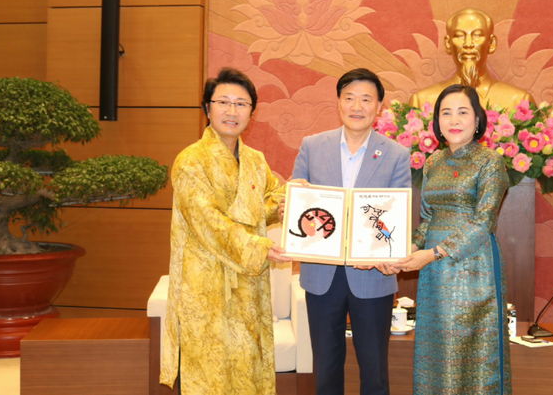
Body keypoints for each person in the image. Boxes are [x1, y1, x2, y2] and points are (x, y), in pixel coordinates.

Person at [161, 67, 290, 394]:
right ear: (207, 108)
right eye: (223, 102)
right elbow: (210, 222)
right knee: (210, 372)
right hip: (206, 285)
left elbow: (267, 199)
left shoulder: (255, 160)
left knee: (248, 368)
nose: (232, 111)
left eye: (241, 104)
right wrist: (261, 247)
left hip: (249, 287)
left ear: (251, 112)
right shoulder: (190, 161)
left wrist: (286, 204)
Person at [290, 68, 412, 395]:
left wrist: (390, 254)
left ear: (379, 107)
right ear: (338, 102)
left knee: (374, 371)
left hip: (372, 275)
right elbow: (299, 203)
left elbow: (397, 215)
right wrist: (291, 200)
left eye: (366, 99)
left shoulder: (396, 154)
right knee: (326, 369)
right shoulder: (312, 146)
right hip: (321, 274)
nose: (357, 106)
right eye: (349, 98)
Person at [396, 84, 512, 394]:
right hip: (434, 271)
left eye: (463, 112)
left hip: (474, 266)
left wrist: (434, 252)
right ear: (437, 121)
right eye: (446, 113)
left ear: (477, 119)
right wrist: (408, 250)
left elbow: (484, 221)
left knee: (470, 347)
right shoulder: (433, 162)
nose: (454, 120)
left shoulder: (490, 161)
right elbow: (428, 218)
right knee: (436, 347)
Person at [409, 8, 532, 111]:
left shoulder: (519, 101)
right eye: (459, 36)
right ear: (448, 44)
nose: (468, 44)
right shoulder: (421, 101)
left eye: (477, 35)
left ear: (491, 43)